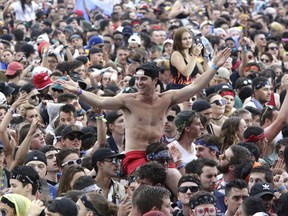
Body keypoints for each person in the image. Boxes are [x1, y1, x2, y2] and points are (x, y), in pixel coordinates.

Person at [57, 49, 231, 176]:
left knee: (179, 184)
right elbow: (100, 101)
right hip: (135, 156)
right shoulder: (128, 100)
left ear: (155, 81)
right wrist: (78, 92)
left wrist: (214, 66)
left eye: (143, 79)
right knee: (146, 181)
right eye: (137, 79)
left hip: (159, 155)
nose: (139, 82)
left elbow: (194, 87)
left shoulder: (167, 98)